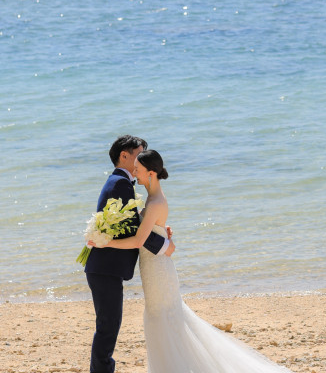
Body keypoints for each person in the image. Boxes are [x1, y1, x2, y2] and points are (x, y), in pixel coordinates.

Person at [89, 149, 293, 373]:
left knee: (163, 320)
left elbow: (139, 240)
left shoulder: (155, 201)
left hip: (158, 270)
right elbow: (147, 231)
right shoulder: (151, 198)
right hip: (153, 267)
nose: (134, 173)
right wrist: (163, 237)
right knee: (161, 320)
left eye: (138, 170)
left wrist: (105, 243)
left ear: (151, 173)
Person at [85, 135, 175, 373]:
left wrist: (159, 230)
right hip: (105, 267)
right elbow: (136, 233)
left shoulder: (119, 182)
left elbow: (134, 224)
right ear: (124, 155)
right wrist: (165, 246)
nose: (140, 163)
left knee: (109, 324)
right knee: (108, 326)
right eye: (138, 154)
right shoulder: (120, 183)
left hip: (106, 268)